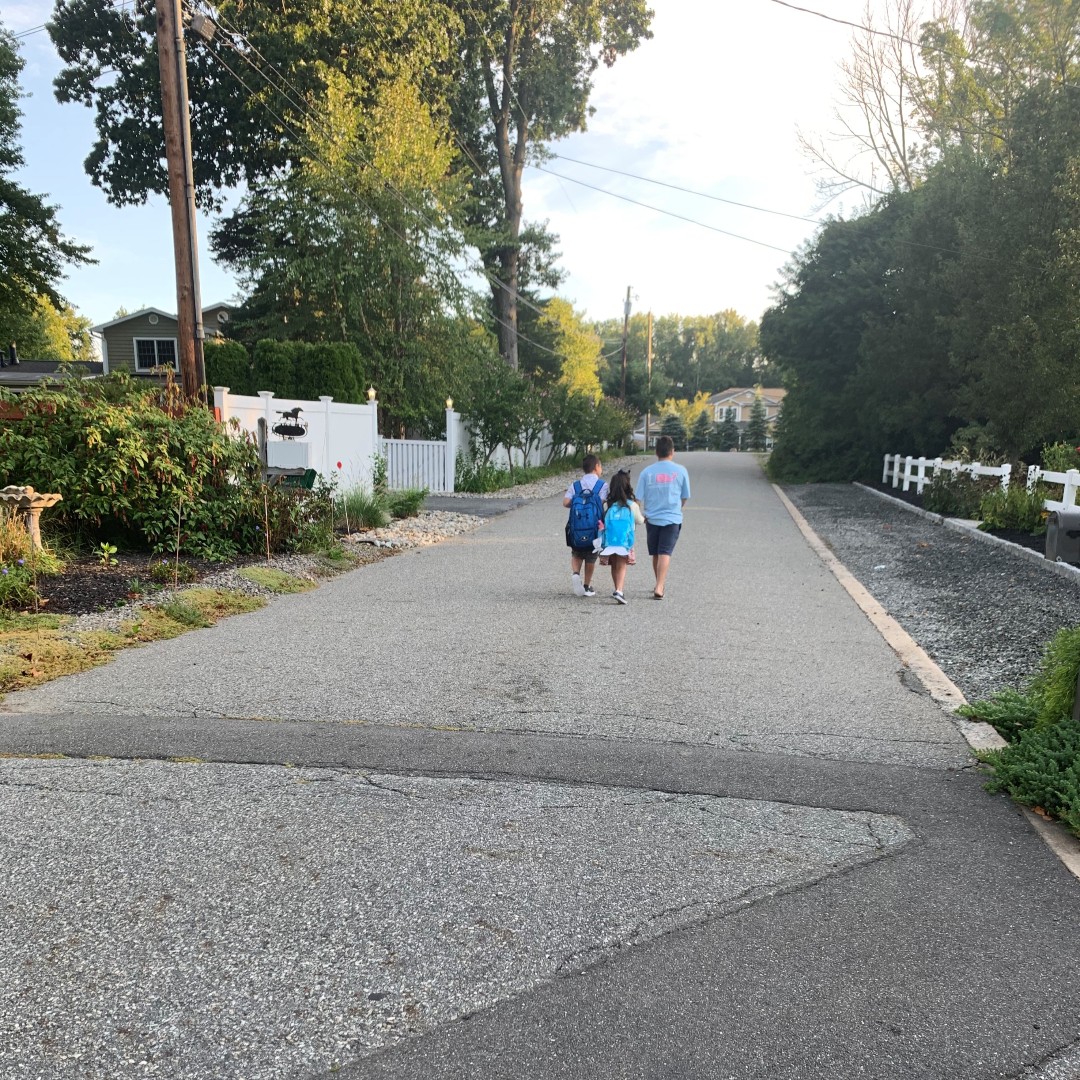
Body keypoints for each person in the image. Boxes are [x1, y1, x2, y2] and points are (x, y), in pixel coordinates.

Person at [634, 435, 691, 599]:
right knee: (665, 552)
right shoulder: (681, 471)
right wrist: (678, 507)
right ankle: (660, 585)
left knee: (656, 552)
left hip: (652, 518)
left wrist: (638, 516)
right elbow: (685, 496)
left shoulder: (647, 472)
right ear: (672, 451)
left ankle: (658, 583)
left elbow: (637, 498)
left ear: (656, 452)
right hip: (672, 518)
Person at [563, 453, 608, 597]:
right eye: (600, 466)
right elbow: (601, 503)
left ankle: (576, 573)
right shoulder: (602, 485)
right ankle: (587, 586)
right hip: (594, 527)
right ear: (596, 467)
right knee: (591, 556)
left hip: (577, 527)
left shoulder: (576, 485)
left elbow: (565, 503)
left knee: (576, 553)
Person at [598, 468, 645, 605]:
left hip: (610, 541)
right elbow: (640, 521)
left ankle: (616, 588)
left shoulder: (610, 504)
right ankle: (619, 590)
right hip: (625, 541)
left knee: (614, 565)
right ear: (628, 486)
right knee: (622, 565)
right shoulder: (632, 505)